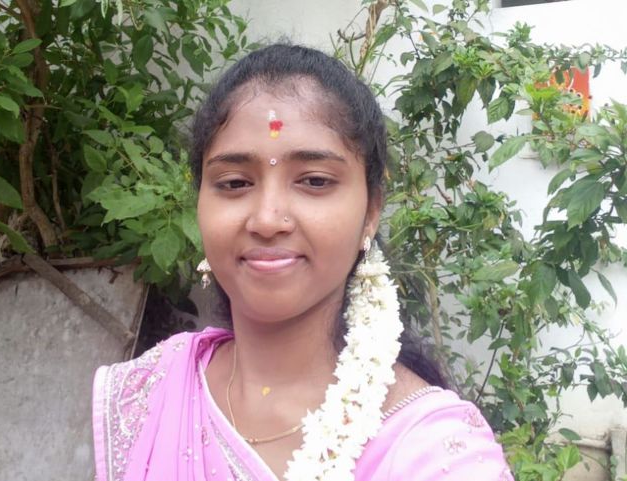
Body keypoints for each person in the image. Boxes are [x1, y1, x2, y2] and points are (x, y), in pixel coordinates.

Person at [92, 44, 513, 481]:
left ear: (371, 212)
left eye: (314, 180)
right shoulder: (147, 392)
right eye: (234, 183)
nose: (267, 219)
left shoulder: (438, 454)